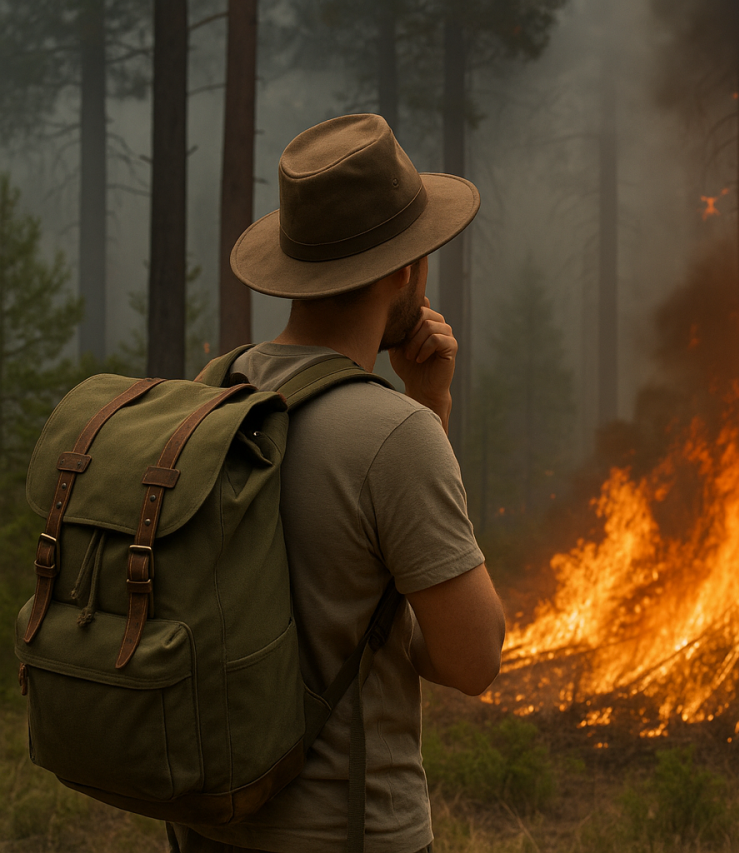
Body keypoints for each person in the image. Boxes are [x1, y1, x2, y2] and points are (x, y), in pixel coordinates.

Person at [167, 114, 505, 853]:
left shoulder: (213, 389)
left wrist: (425, 408)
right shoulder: (396, 436)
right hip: (348, 833)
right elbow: (472, 659)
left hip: (207, 823)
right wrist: (427, 412)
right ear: (402, 270)